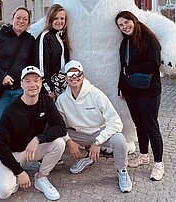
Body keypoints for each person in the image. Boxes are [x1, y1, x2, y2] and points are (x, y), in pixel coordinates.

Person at [55, 60, 133, 193]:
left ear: (83, 75)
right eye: (71, 74)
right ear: (66, 77)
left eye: (78, 73)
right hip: (79, 134)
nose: (75, 77)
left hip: (99, 132)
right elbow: (59, 125)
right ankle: (88, 157)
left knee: (119, 140)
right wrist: (69, 142)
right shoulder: (62, 100)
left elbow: (116, 122)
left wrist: (98, 142)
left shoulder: (96, 94)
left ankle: (122, 170)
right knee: (56, 137)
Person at [0, 66, 66, 201]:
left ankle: (41, 177)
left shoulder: (46, 102)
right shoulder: (11, 110)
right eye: (27, 81)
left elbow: (61, 128)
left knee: (59, 143)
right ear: (21, 84)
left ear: (41, 83)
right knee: (3, 192)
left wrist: (38, 138)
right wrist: (19, 172)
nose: (32, 84)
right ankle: (14, 176)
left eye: (36, 80)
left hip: (32, 150)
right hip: (13, 154)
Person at [115, 10, 165, 181]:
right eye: (121, 25)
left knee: (151, 126)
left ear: (133, 20)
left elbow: (154, 64)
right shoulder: (125, 42)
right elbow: (123, 67)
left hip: (149, 90)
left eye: (126, 22)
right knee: (139, 125)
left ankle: (159, 164)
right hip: (131, 90)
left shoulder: (149, 39)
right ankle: (144, 155)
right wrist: (121, 86)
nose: (124, 27)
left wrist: (132, 69)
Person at [0, 6, 35, 173]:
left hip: (20, 91)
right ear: (12, 18)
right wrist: (2, 76)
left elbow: (32, 65)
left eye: (25, 19)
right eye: (18, 17)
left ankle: (10, 156)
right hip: (2, 91)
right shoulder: (0, 36)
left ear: (28, 23)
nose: (21, 21)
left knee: (18, 126)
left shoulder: (30, 40)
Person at [35, 4, 70, 101]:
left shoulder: (62, 37)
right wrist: (49, 90)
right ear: (50, 19)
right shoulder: (45, 37)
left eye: (62, 18)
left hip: (63, 85)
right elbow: (41, 66)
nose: (59, 21)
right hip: (50, 88)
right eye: (56, 18)